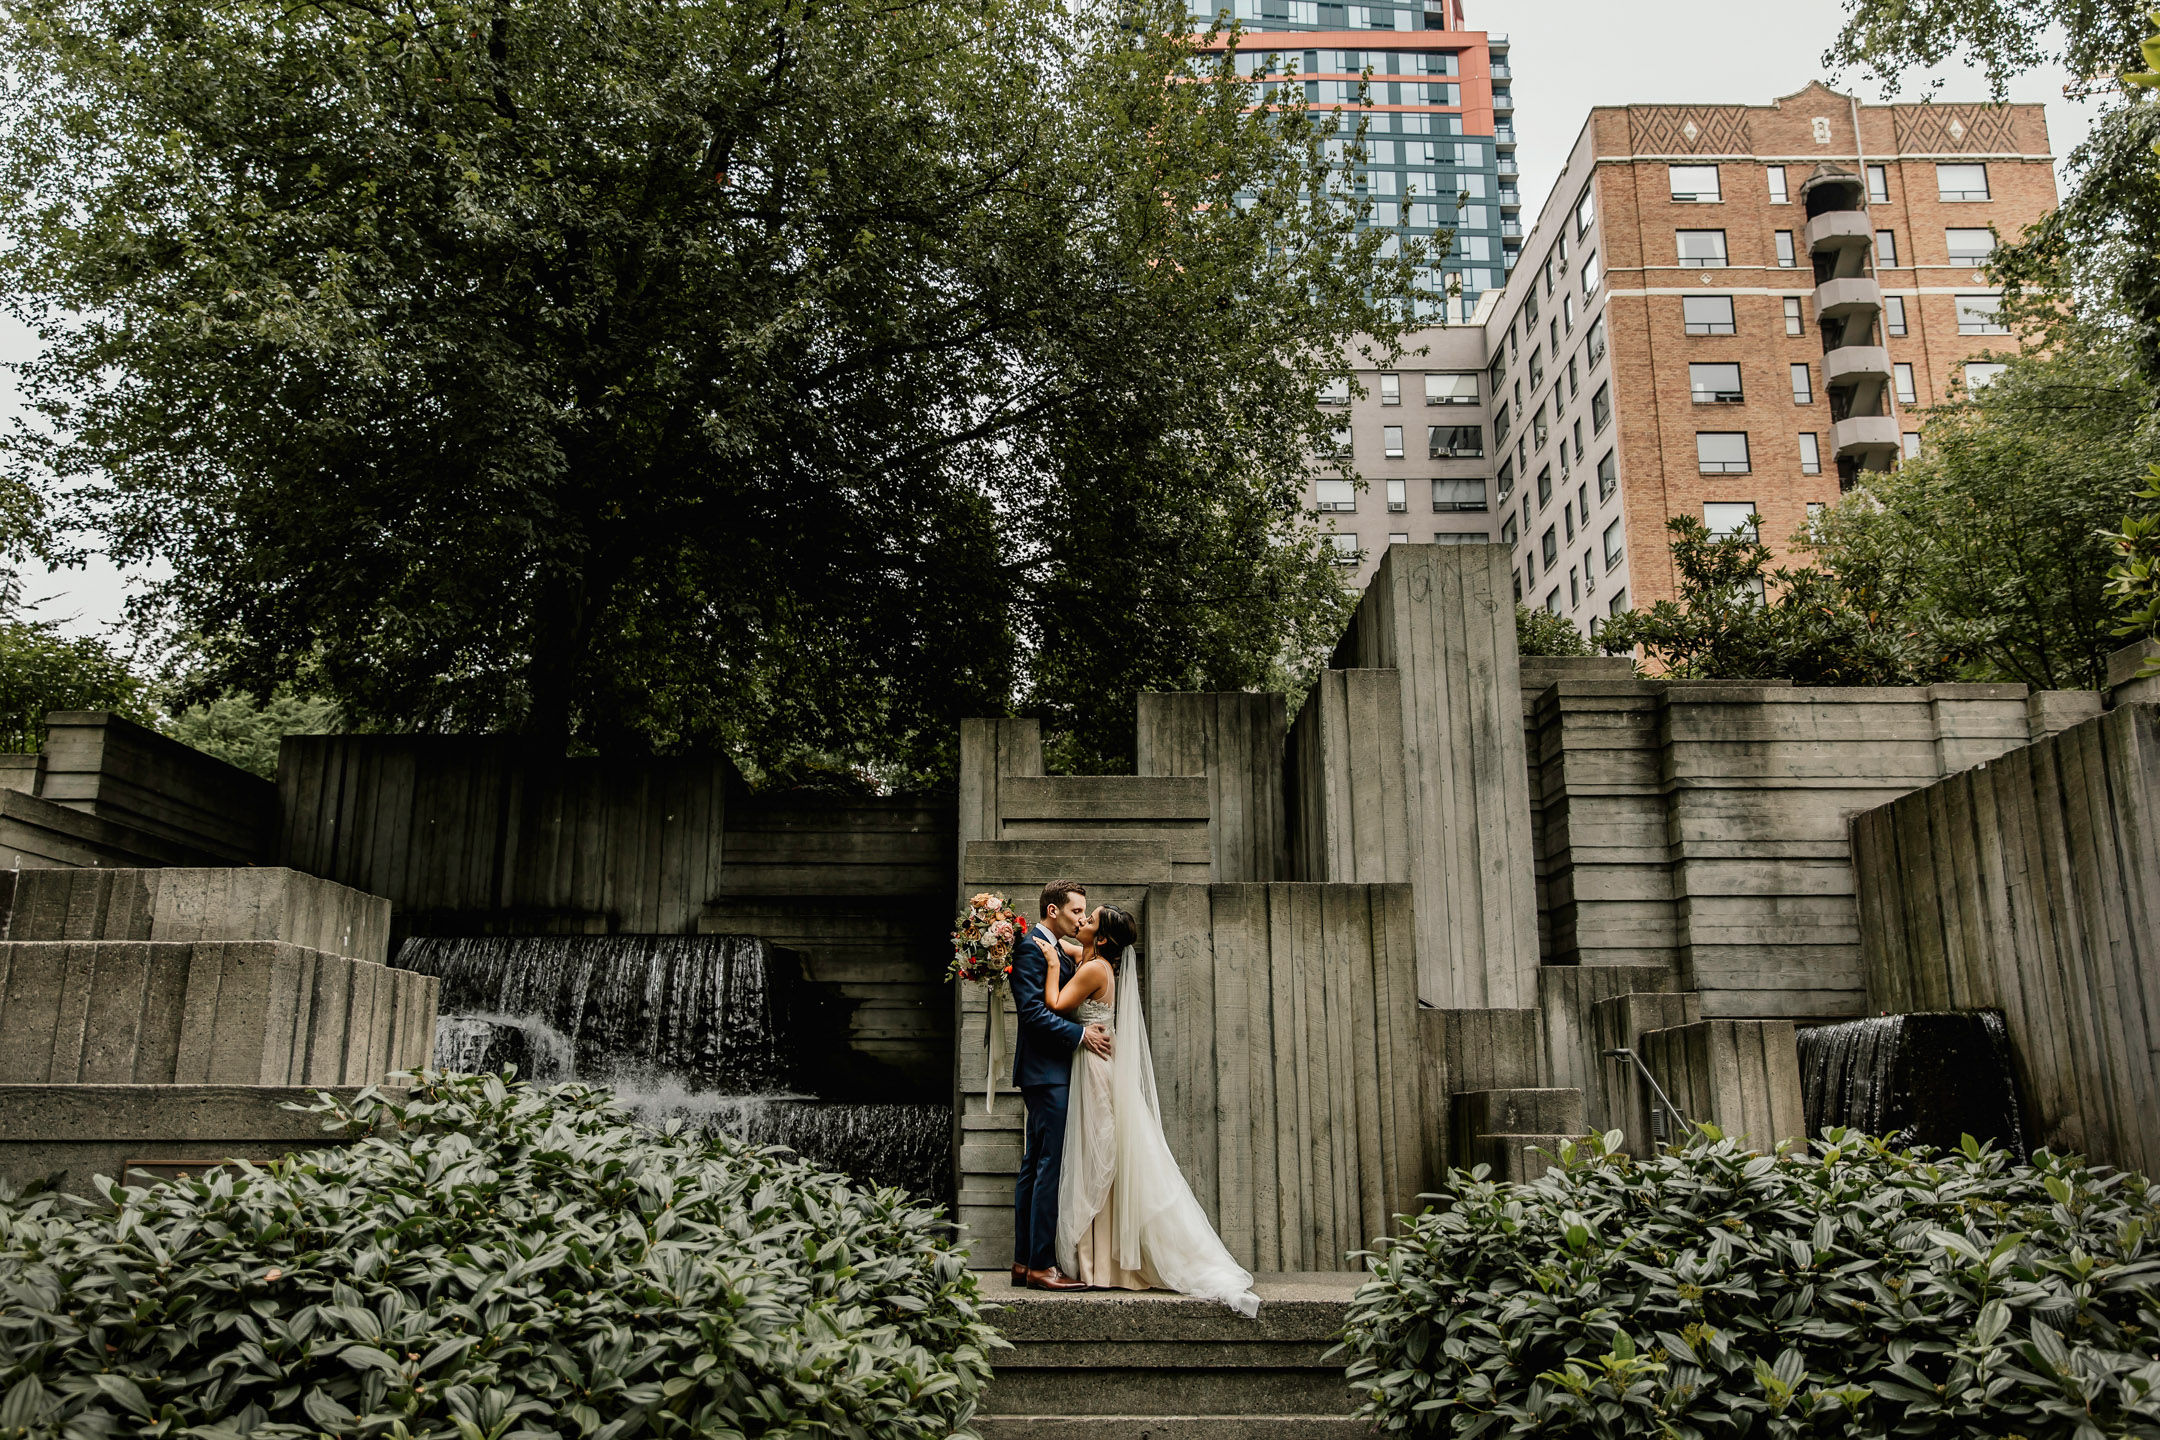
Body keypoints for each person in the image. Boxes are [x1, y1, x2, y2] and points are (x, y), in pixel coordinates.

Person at [1035, 905, 1261, 1317]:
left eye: (1090, 920)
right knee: (1103, 1156)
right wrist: (1056, 946)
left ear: (1101, 939)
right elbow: (1069, 945)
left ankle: (1108, 1264)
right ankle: (1107, 1262)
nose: (1081, 922)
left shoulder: (1094, 969)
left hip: (1095, 1069)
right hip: (1099, 1063)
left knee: (1100, 1154)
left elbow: (1054, 1003)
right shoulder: (1090, 957)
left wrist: (1051, 963)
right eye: (1081, 916)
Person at [1010, 879, 1112, 1291]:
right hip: (1047, 1072)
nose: (1081, 918)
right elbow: (1033, 1013)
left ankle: (1023, 1262)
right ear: (1053, 911)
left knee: (1035, 1167)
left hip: (1048, 1072)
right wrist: (1081, 1036)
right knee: (1048, 1166)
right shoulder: (1033, 947)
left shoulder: (1050, 944)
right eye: (1075, 911)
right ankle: (1040, 1266)